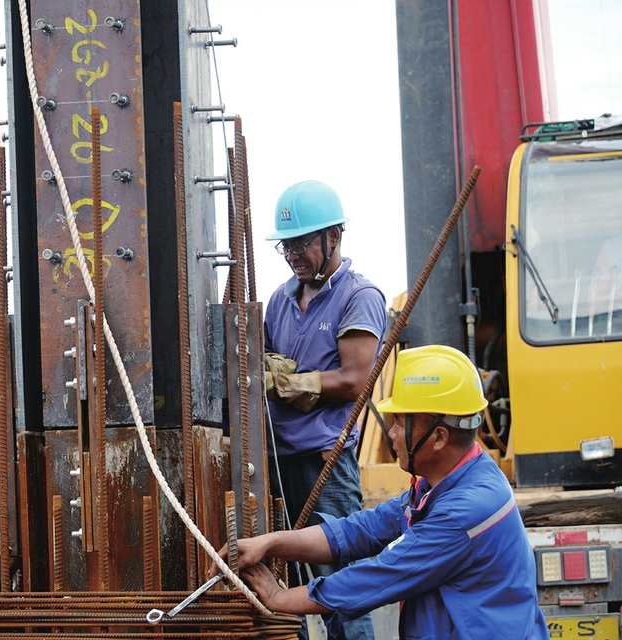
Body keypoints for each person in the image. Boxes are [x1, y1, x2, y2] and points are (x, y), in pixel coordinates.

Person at [223, 345, 549, 639]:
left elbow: (380, 576)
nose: (391, 434)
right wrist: (269, 543)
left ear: (437, 438)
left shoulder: (465, 510)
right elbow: (361, 531)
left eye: (399, 422)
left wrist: (279, 598)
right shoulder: (453, 478)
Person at [263, 180, 385, 639]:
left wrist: (293, 383)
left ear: (334, 237)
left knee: (341, 590)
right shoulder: (279, 299)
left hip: (325, 465)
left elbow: (355, 380)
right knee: (284, 588)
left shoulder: (359, 295)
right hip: (281, 463)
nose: (294, 254)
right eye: (286, 245)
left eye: (303, 243)